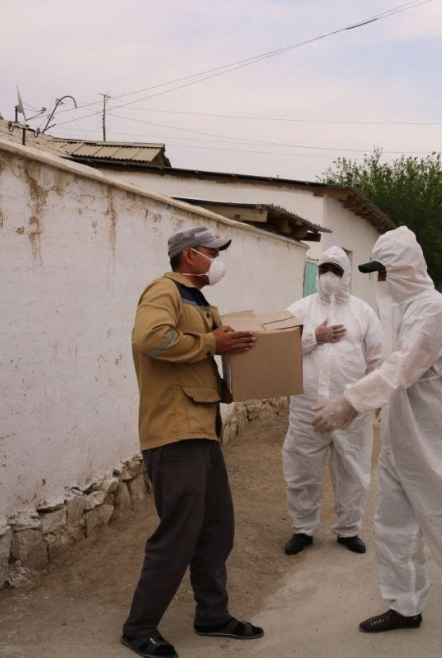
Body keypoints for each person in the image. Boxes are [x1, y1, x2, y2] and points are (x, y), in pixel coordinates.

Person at [311, 227, 442, 649]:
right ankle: (405, 606)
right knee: (393, 530)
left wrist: (350, 402)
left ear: (402, 270)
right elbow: (385, 366)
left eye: (382, 272)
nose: (378, 281)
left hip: (437, 441)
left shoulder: (433, 310)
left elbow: (401, 368)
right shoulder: (401, 310)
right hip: (400, 438)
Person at [123, 225, 264, 657]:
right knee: (178, 534)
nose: (217, 259)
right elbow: (149, 339)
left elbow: (206, 348)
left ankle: (212, 615)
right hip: (173, 429)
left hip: (202, 429)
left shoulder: (199, 299)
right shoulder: (163, 290)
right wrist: (210, 342)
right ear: (188, 256)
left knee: (216, 529)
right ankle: (139, 627)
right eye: (211, 252)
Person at [282, 247, 384, 557]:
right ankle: (302, 529)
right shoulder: (298, 310)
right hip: (305, 409)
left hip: (350, 412)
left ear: (346, 275)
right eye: (324, 268)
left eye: (336, 270)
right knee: (302, 470)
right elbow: (281, 353)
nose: (329, 275)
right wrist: (315, 336)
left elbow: (377, 361)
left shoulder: (363, 312)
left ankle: (348, 529)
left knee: (352, 471)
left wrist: (367, 402)